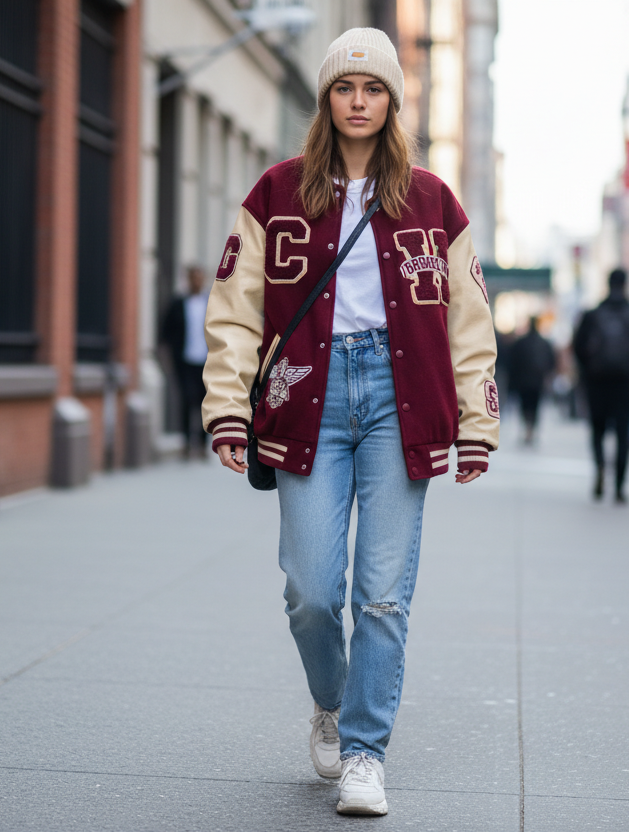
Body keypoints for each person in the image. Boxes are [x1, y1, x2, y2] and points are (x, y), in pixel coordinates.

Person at [200, 28, 498, 817]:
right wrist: (227, 406)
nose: (359, 102)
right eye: (345, 88)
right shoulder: (276, 190)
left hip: (403, 402)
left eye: (373, 90)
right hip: (309, 398)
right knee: (310, 590)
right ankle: (331, 700)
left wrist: (478, 421)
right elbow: (234, 312)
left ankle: (365, 754)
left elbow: (469, 321)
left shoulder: (434, 201)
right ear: (327, 99)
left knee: (383, 597)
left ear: (392, 101)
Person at [573, 269, 629, 503]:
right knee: (623, 434)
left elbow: (578, 347)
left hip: (597, 382)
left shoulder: (593, 314)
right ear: (626, 284)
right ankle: (619, 486)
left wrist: (588, 371)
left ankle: (599, 471)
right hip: (625, 383)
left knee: (597, 431)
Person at [159, 267, 210, 457]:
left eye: (199, 278)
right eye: (192, 278)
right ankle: (188, 443)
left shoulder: (211, 302)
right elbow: (166, 332)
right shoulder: (178, 303)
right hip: (185, 361)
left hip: (207, 362)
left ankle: (204, 444)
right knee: (187, 399)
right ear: (187, 280)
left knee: (205, 401)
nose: (196, 282)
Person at [507, 317, 557, 444]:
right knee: (535, 406)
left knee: (524, 406)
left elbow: (512, 363)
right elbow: (551, 362)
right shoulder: (544, 343)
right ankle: (531, 430)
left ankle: (527, 429)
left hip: (523, 381)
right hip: (538, 381)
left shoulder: (520, 342)